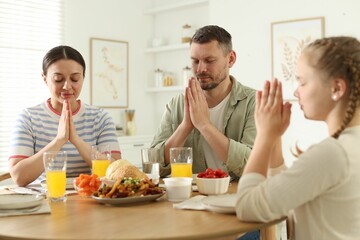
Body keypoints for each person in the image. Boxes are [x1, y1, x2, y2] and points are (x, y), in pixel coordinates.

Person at [236, 36, 360, 240]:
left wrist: (264, 136)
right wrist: (275, 138)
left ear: (337, 88)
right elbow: (286, 192)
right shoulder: (349, 146)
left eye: (302, 82)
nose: (296, 91)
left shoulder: (333, 153)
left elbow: (248, 207)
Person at [151, 25, 256, 179]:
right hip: (190, 199)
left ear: (231, 59)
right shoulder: (176, 104)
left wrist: (203, 125)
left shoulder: (254, 102)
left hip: (237, 197)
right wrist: (186, 126)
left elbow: (252, 165)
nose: (201, 69)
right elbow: (153, 166)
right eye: (195, 61)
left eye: (209, 60)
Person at [8, 45, 121, 187]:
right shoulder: (28, 117)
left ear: (83, 78)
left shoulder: (100, 118)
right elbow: (18, 177)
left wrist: (77, 141)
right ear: (45, 79)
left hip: (88, 197)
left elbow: (117, 170)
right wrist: (59, 140)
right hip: (43, 199)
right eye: (58, 79)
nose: (67, 86)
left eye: (74, 79)